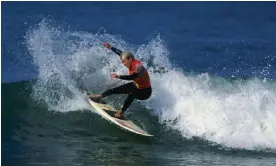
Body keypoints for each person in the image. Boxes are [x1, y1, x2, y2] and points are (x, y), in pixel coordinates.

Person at [89, 43, 152, 118]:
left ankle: (121, 112)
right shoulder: (129, 59)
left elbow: (132, 77)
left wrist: (118, 76)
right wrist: (110, 47)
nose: (123, 64)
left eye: (124, 62)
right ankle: (100, 96)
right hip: (136, 85)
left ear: (130, 59)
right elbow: (120, 53)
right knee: (114, 90)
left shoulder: (138, 67)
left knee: (131, 94)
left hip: (145, 92)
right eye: (122, 62)